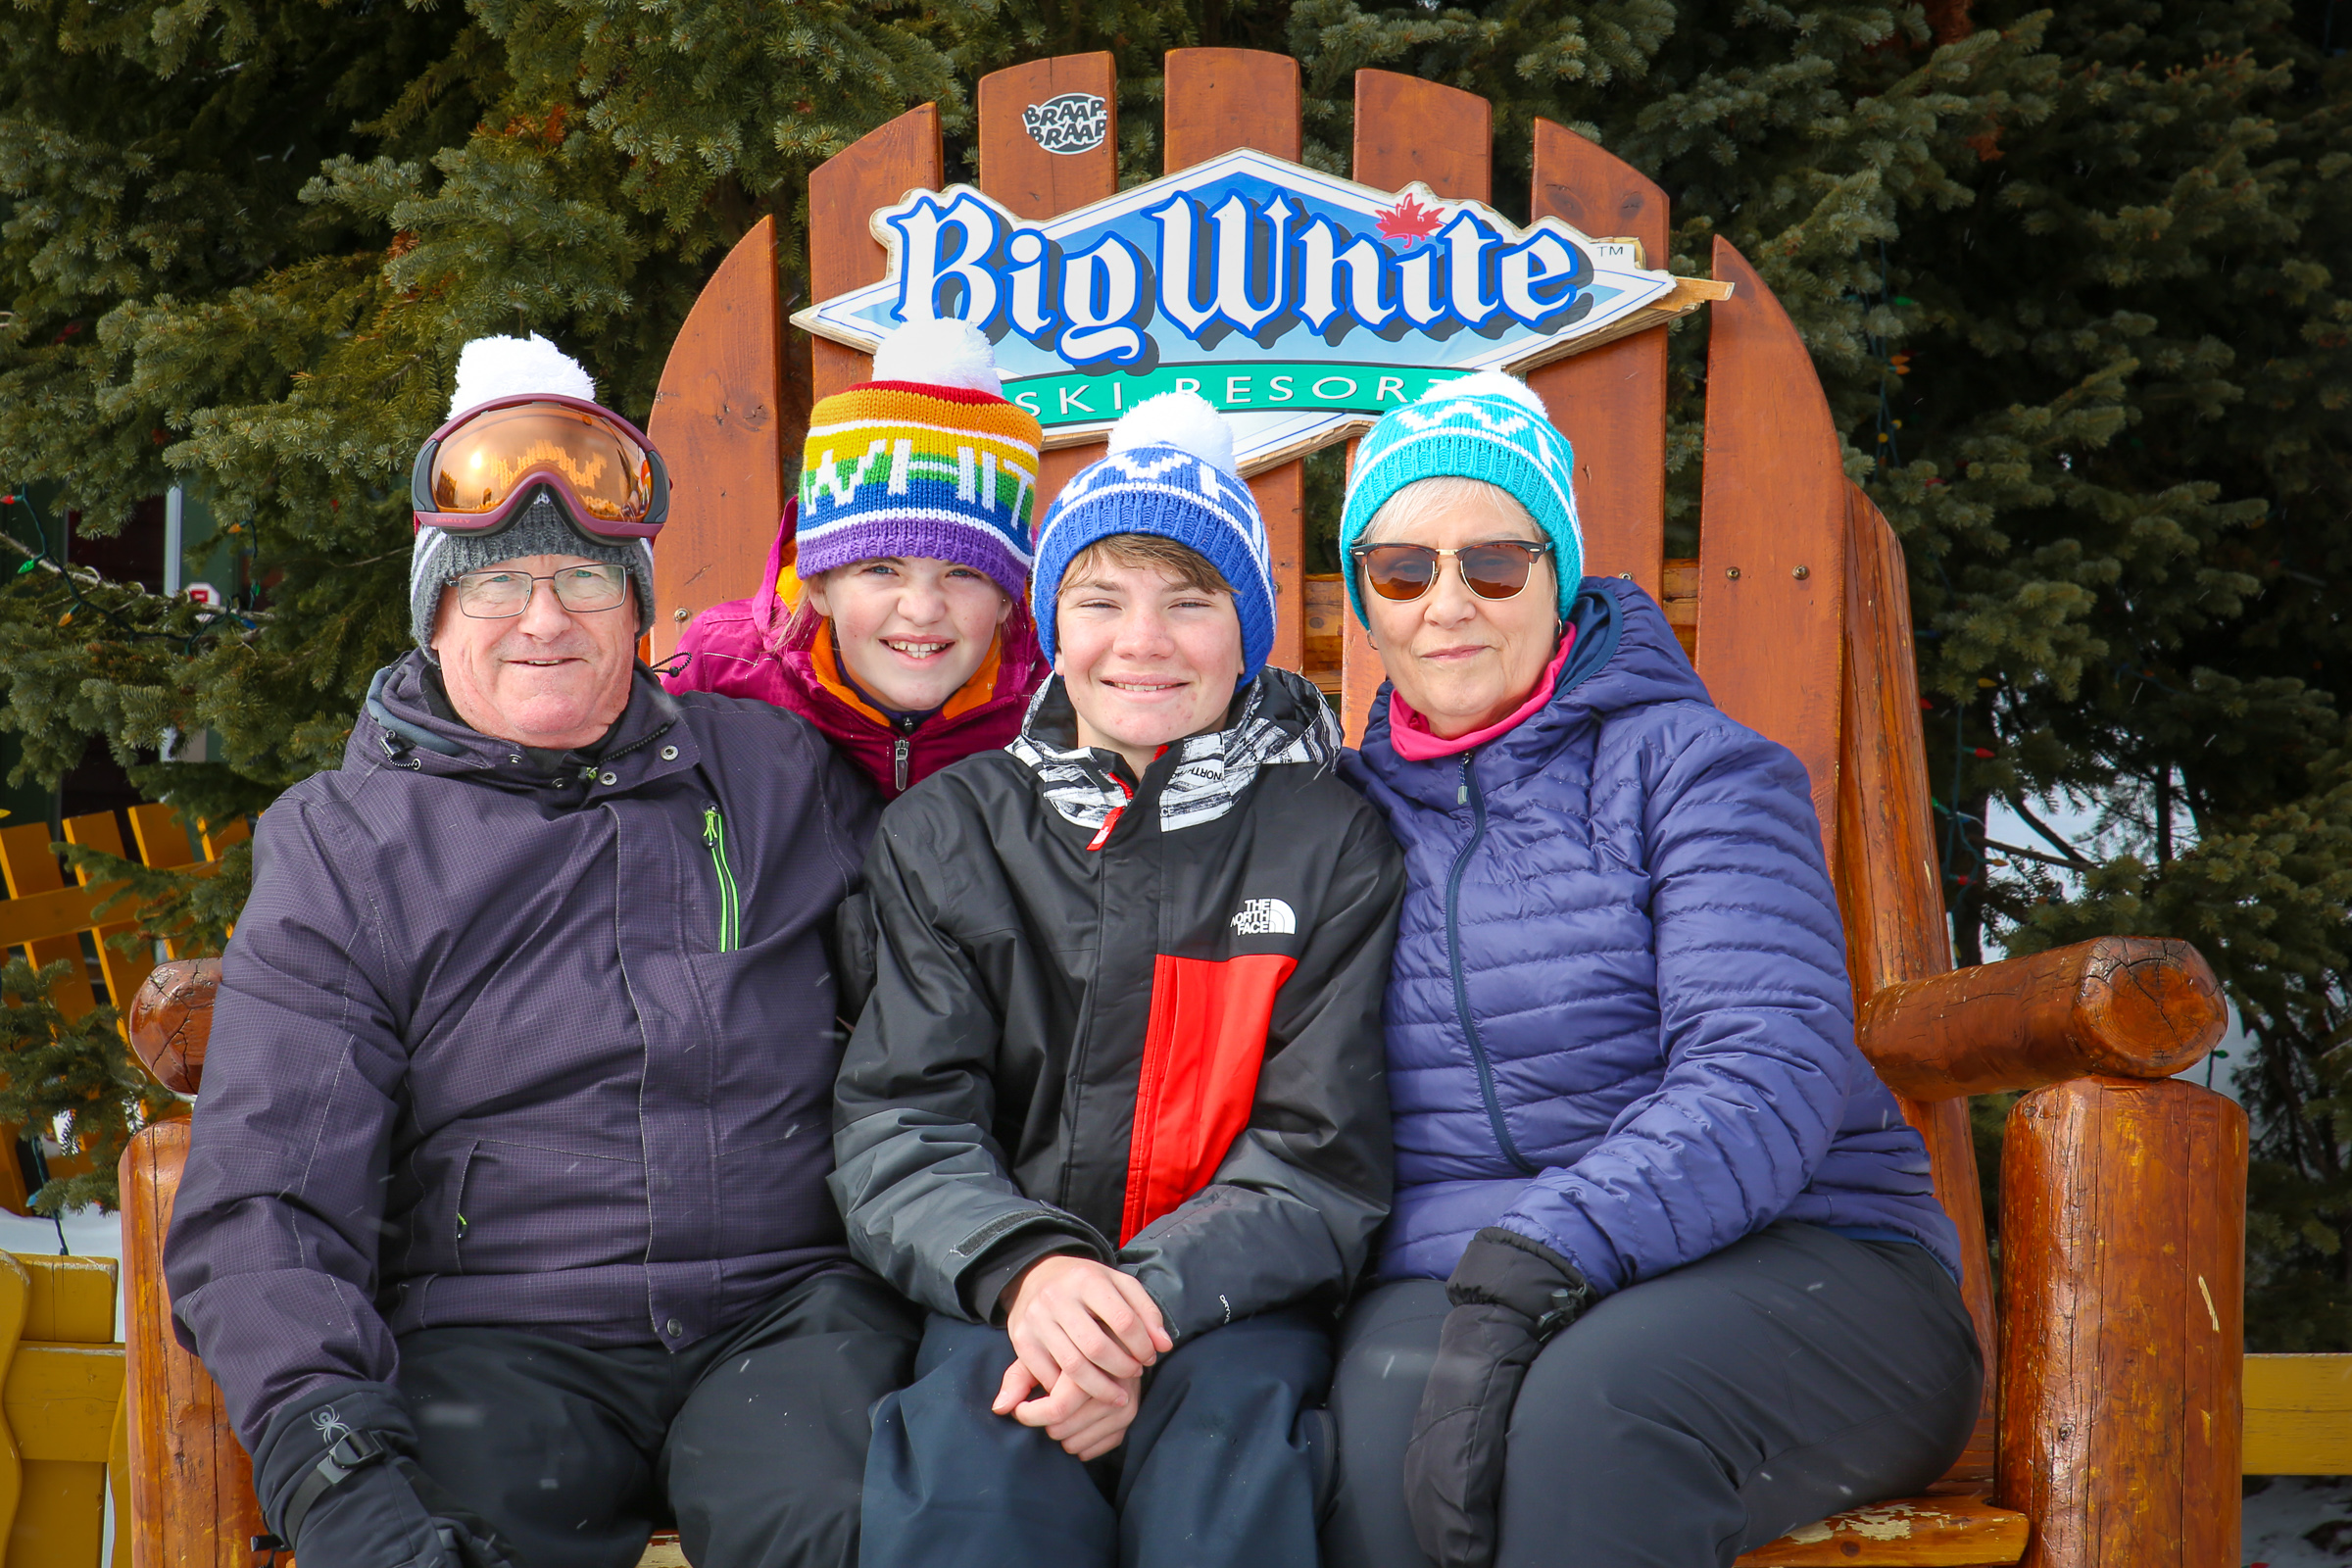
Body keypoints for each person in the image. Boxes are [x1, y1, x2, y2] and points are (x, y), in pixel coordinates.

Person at [165, 334, 917, 1568]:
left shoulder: (773, 776)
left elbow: (944, 1003)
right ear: (436, 614)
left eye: (584, 578)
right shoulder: (352, 846)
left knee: (854, 1531)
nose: (546, 619)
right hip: (500, 1334)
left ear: (638, 607)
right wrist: (333, 1462)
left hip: (785, 1317)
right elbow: (267, 1194)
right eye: (498, 585)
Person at [1320, 372, 1982, 1568]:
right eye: (1404, 570)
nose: (1447, 604)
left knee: (1591, 1423)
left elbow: (1764, 1071)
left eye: (1496, 564)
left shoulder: (1697, 772)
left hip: (1802, 1254)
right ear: (1367, 599)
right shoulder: (1342, 823)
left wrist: (1541, 1254)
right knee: (1367, 1457)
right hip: (1470, 1270)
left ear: (1561, 575)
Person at [829, 392, 1405, 1568]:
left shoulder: (1329, 842)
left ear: (1246, 633)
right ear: (1053, 625)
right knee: (973, 1473)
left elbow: (1320, 1152)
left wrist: (1135, 1311)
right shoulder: (951, 834)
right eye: (1100, 601)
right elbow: (903, 1119)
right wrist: (1035, 1275)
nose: (1143, 640)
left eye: (1189, 601)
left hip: (1233, 1298)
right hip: (1004, 1283)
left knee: (1227, 1483)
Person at [663, 318, 1046, 799]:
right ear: (820, 585)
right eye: (882, 568)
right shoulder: (721, 667)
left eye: (963, 572)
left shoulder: (1057, 696)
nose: (922, 609)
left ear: (1009, 597)